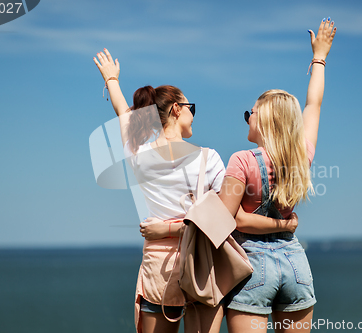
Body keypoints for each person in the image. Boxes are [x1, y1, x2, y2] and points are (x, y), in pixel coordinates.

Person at [93, 50, 298, 333]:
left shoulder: (138, 152)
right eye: (191, 107)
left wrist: (112, 79)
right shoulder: (208, 158)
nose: (193, 114)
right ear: (177, 109)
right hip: (203, 266)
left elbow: (123, 112)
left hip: (158, 268)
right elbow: (221, 220)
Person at [218, 18, 336, 333]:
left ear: (266, 119)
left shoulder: (241, 160)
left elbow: (228, 221)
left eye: (250, 114)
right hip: (296, 264)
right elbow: (314, 103)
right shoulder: (302, 157)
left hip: (252, 266)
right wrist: (320, 57)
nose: (246, 120)